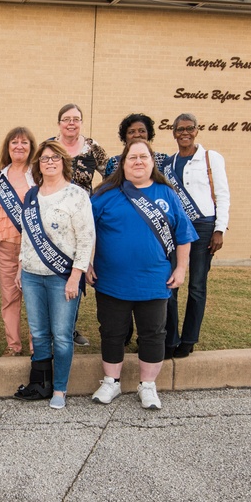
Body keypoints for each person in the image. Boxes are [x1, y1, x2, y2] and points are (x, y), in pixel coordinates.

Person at [88, 140, 197, 410]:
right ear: (122, 164)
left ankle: (147, 386)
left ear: (152, 162)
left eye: (143, 157)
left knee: (153, 334)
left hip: (154, 281)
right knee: (112, 332)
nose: (138, 162)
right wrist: (86, 264)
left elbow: (184, 236)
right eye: (132, 157)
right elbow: (85, 232)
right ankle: (111, 382)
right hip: (111, 281)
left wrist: (181, 268)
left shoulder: (167, 194)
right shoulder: (105, 194)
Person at [12, 141, 95, 409]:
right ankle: (40, 383)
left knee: (61, 334)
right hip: (32, 275)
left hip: (62, 276)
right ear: (38, 164)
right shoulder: (31, 196)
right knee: (38, 333)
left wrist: (75, 276)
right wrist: (20, 266)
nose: (49, 162)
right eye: (44, 158)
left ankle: (59, 388)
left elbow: (86, 239)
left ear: (63, 162)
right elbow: (26, 235)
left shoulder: (77, 195)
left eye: (54, 158)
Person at [161, 113, 231, 359]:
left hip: (203, 227)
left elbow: (222, 194)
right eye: (180, 129)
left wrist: (219, 229)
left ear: (197, 130)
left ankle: (189, 340)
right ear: (174, 132)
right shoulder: (168, 164)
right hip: (176, 228)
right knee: (170, 284)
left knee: (197, 286)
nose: (185, 133)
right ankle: (170, 339)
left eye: (189, 128)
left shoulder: (210, 158)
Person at [52, 103, 105, 348]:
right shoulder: (49, 146)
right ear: (59, 122)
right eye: (66, 119)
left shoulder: (92, 148)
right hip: (54, 220)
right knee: (54, 272)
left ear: (81, 122)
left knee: (78, 271)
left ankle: (70, 327)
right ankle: (53, 327)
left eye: (76, 119)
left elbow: (112, 175)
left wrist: (99, 201)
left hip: (82, 220)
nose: (71, 123)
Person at [0, 127, 36, 356]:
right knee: (9, 297)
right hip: (5, 246)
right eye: (14, 142)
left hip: (33, 248)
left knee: (34, 298)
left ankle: (37, 345)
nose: (19, 146)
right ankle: (13, 345)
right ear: (8, 147)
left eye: (24, 142)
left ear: (31, 147)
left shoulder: (38, 174)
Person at [102, 114, 169, 178]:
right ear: (125, 136)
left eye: (142, 131)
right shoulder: (114, 162)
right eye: (131, 132)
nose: (137, 135)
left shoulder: (163, 160)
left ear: (148, 134)